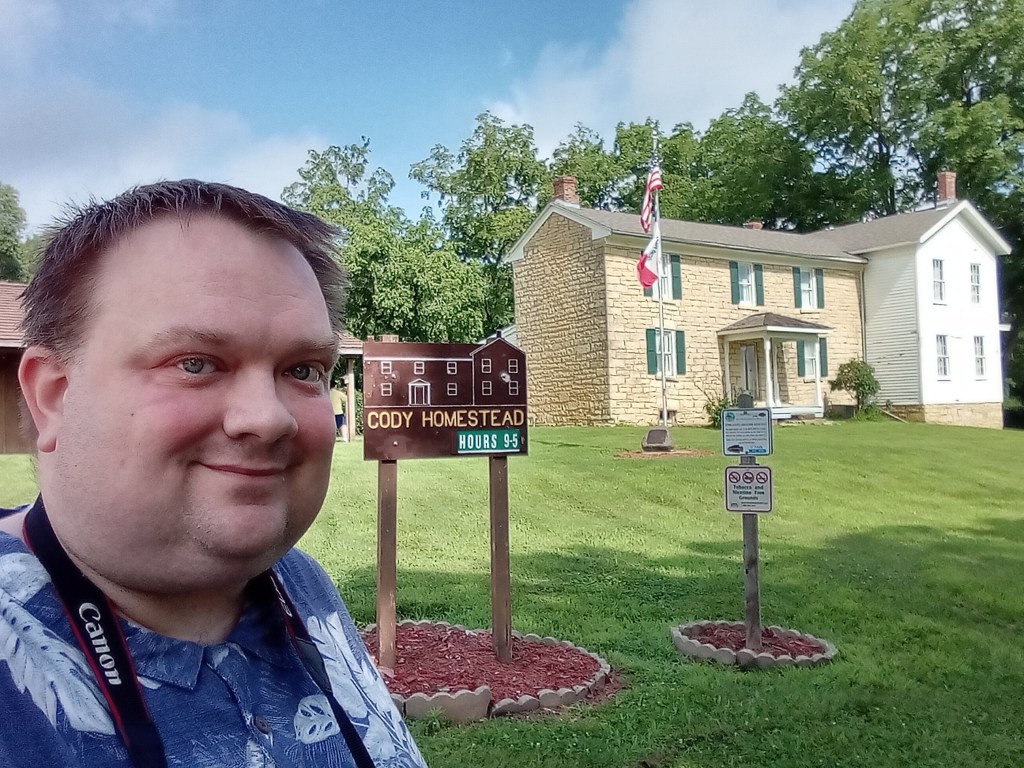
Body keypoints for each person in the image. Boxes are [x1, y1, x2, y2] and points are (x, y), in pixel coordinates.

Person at [0, 180, 427, 768]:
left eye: (303, 369)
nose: (269, 418)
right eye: (195, 363)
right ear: (54, 396)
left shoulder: (300, 583)